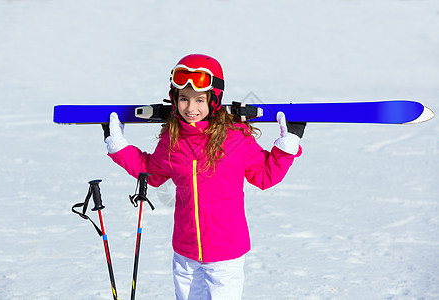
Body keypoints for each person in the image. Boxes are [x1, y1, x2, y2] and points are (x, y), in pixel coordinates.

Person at [103, 54, 305, 300]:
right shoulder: (172, 140)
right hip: (185, 254)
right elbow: (152, 173)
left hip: (226, 255)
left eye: (200, 99)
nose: (191, 108)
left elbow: (264, 176)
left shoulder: (236, 137)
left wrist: (287, 144)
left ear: (214, 100)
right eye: (184, 99)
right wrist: (119, 147)